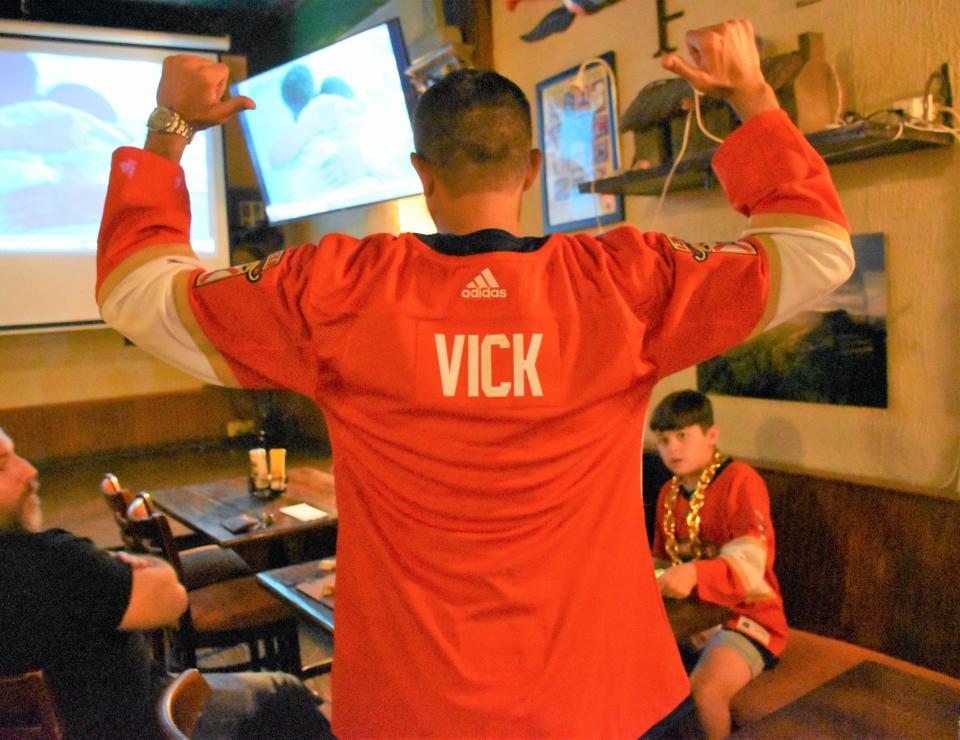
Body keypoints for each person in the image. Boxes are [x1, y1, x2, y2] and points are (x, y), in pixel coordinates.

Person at [96, 19, 853, 737]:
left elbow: (137, 291)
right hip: (612, 704)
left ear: (421, 173)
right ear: (529, 169)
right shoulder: (625, 280)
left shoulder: (333, 288)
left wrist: (172, 126)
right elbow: (818, 250)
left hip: (408, 712)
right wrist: (751, 97)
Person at [0, 427, 332, 739]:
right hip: (149, 723)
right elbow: (171, 601)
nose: (28, 470)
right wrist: (148, 569)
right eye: (3, 465)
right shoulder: (57, 561)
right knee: (286, 694)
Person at [650, 390, 786, 738]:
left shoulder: (740, 481)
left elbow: (752, 564)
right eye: (664, 440)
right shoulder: (668, 491)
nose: (673, 448)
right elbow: (662, 560)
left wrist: (695, 571)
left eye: (683, 436)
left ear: (711, 435)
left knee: (706, 691)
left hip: (748, 617)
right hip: (692, 618)